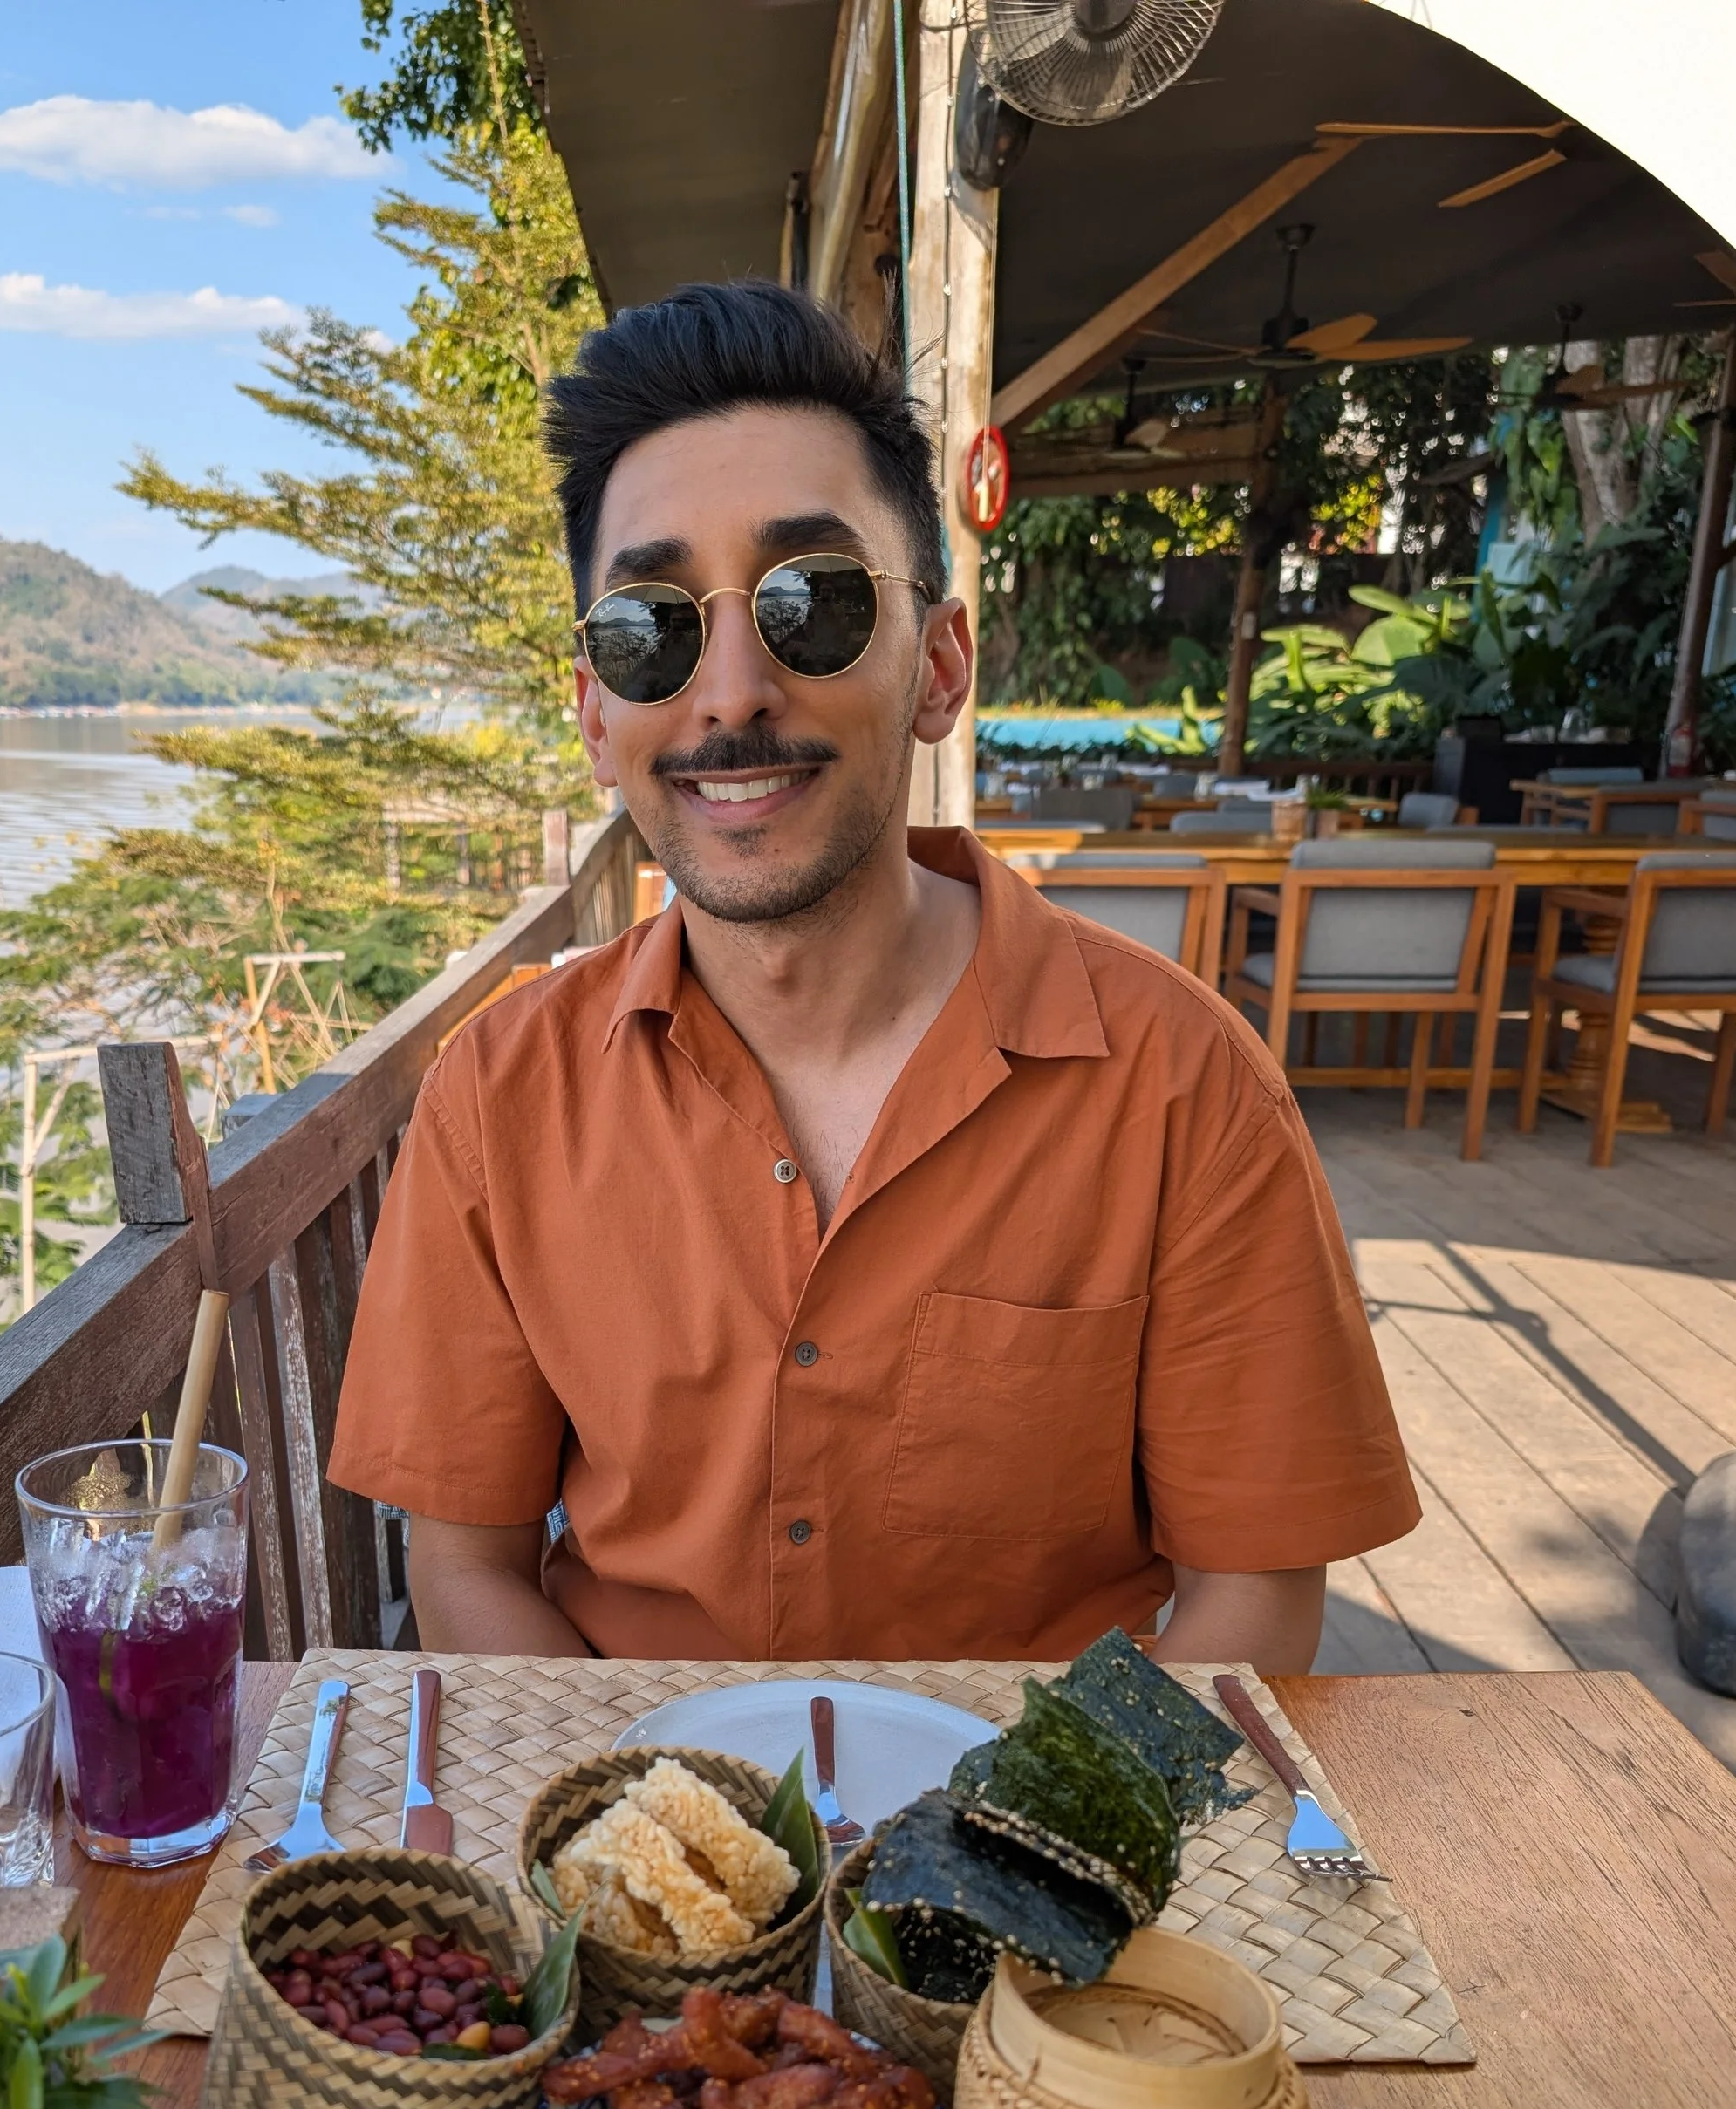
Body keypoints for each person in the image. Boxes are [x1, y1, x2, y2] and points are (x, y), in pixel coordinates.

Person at [327, 280, 1417, 1668]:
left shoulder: (1183, 1089)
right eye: (651, 628)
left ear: (940, 664)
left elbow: (1252, 1599)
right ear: (599, 716)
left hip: (1044, 1843)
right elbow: (465, 1568)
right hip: (634, 1836)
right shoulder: (498, 1093)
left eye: (814, 602)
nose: (728, 693)